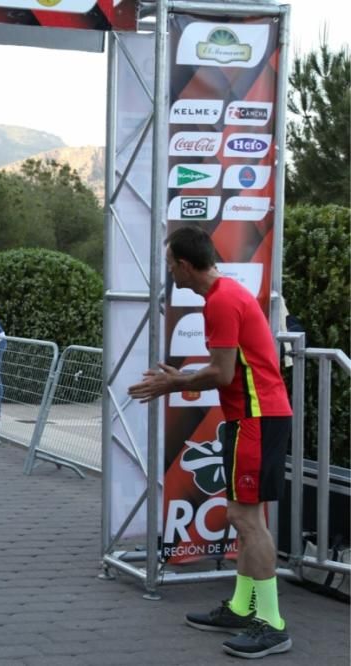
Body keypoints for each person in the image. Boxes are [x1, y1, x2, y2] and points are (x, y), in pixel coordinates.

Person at [128, 226, 293, 660]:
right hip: (253, 416)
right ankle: (242, 607)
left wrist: (173, 381)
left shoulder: (221, 301)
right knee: (247, 515)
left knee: (245, 517)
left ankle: (272, 624)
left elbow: (221, 374)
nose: (170, 275)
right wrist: (179, 379)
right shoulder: (224, 295)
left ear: (184, 265)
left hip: (258, 417)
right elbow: (227, 367)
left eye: (169, 267)